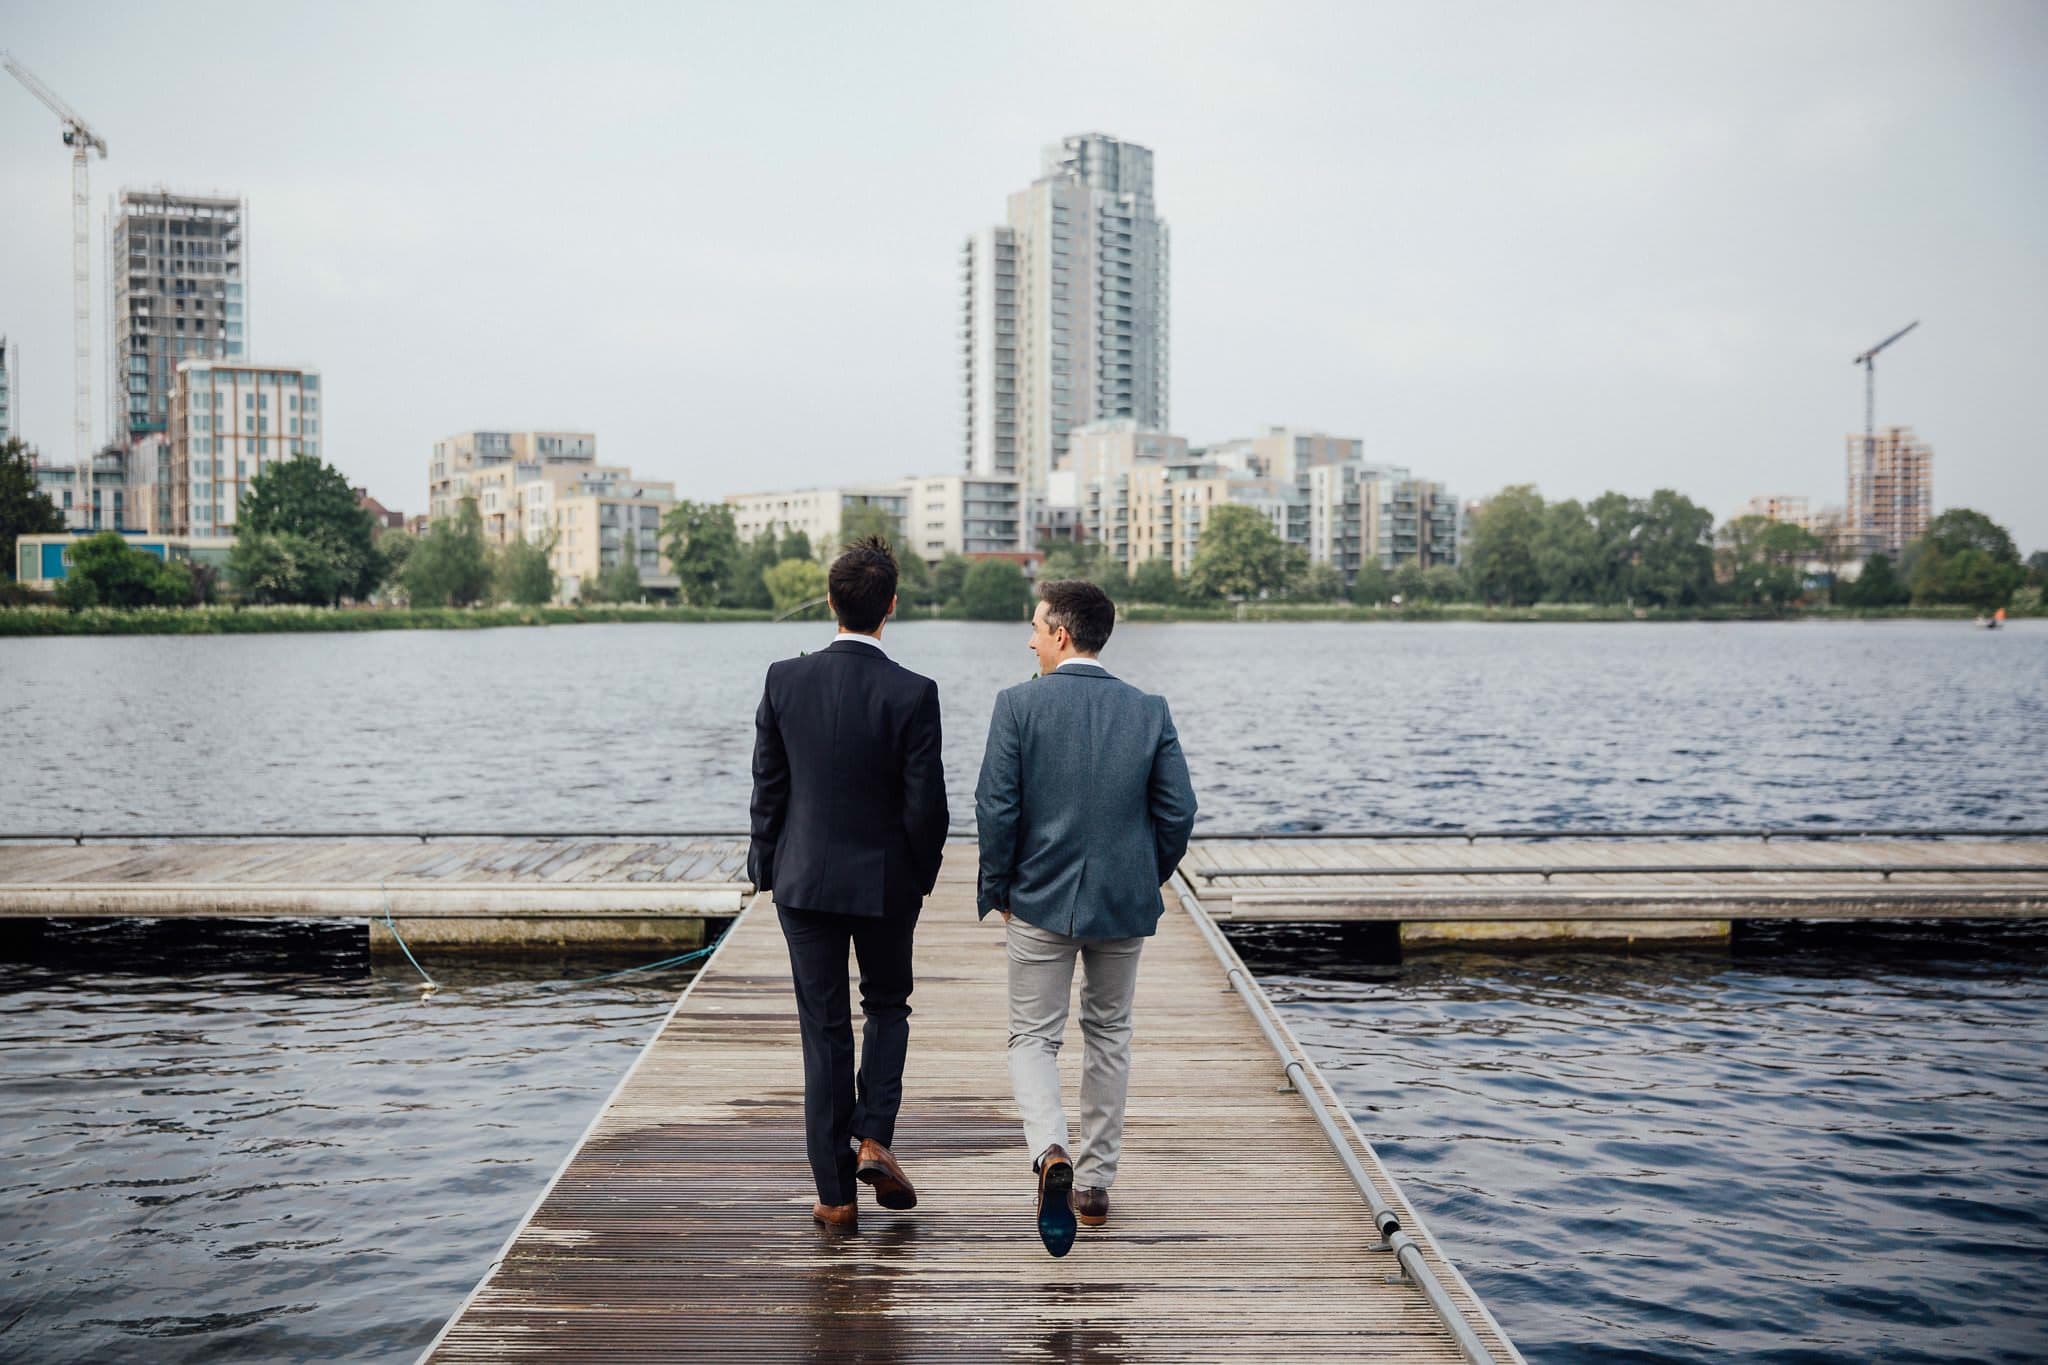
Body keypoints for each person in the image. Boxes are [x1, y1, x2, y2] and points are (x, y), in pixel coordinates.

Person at [974, 578, 1198, 1257]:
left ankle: (1049, 1149)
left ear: (1062, 635)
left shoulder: (1017, 705)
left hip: (1038, 897)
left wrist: (998, 886)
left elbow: (996, 807)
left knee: (1032, 1038)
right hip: (1122, 902)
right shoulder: (1149, 709)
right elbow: (1179, 811)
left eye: (1037, 627)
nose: (1031, 638)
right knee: (1109, 1033)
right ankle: (1095, 1184)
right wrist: (1145, 870)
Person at [747, 535, 949, 1232]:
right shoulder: (914, 693)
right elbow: (927, 807)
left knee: (823, 1029)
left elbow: (768, 787)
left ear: (831, 600)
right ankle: (872, 1136)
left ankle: (835, 1197)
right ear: (890, 607)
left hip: (802, 881)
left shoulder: (783, 679)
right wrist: (920, 878)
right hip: (886, 882)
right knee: (888, 1005)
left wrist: (764, 866)